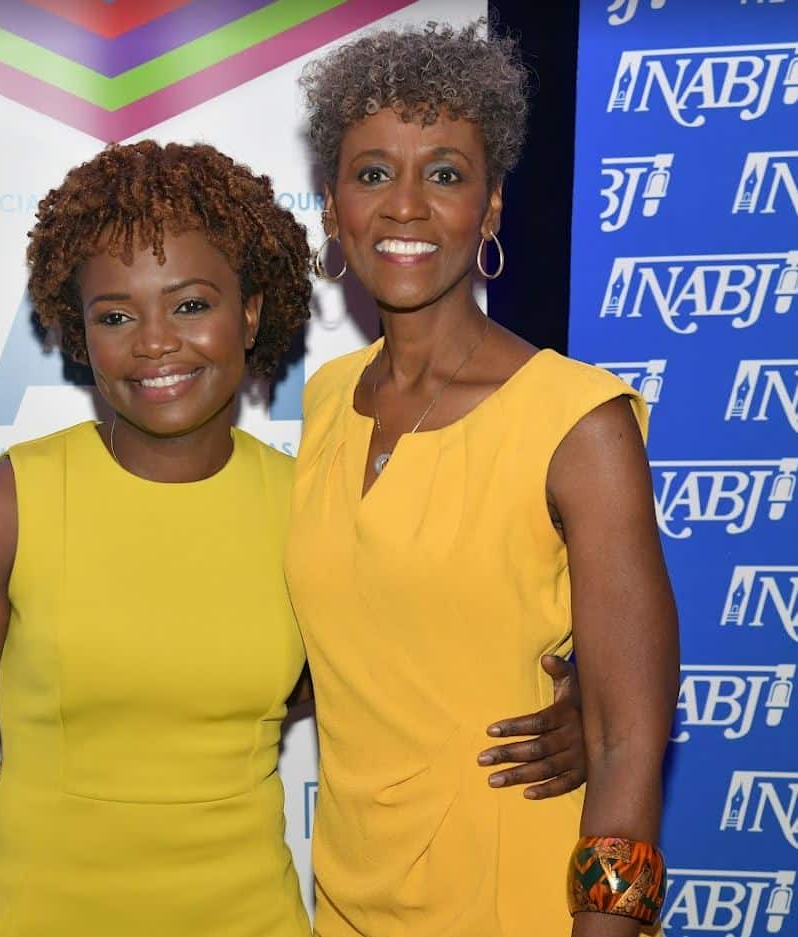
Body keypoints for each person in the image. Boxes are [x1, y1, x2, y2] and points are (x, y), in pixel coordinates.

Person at [0, 140, 586, 937]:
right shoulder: (9, 503)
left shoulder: (307, 502)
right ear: (78, 334)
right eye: (115, 315)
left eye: (190, 304)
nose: (155, 342)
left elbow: (398, 667)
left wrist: (573, 705)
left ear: (250, 312)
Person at [285, 20, 679, 937]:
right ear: (335, 206)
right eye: (373, 172)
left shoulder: (578, 422)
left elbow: (627, 742)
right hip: (348, 895)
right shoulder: (327, 400)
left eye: (447, 173)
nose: (406, 205)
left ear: (493, 206)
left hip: (517, 890)